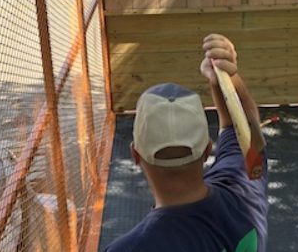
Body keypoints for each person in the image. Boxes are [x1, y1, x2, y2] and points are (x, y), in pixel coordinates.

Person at [105, 34, 268, 251]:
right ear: (207, 149)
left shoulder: (130, 248)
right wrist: (227, 78)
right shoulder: (244, 190)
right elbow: (243, 132)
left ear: (135, 155)